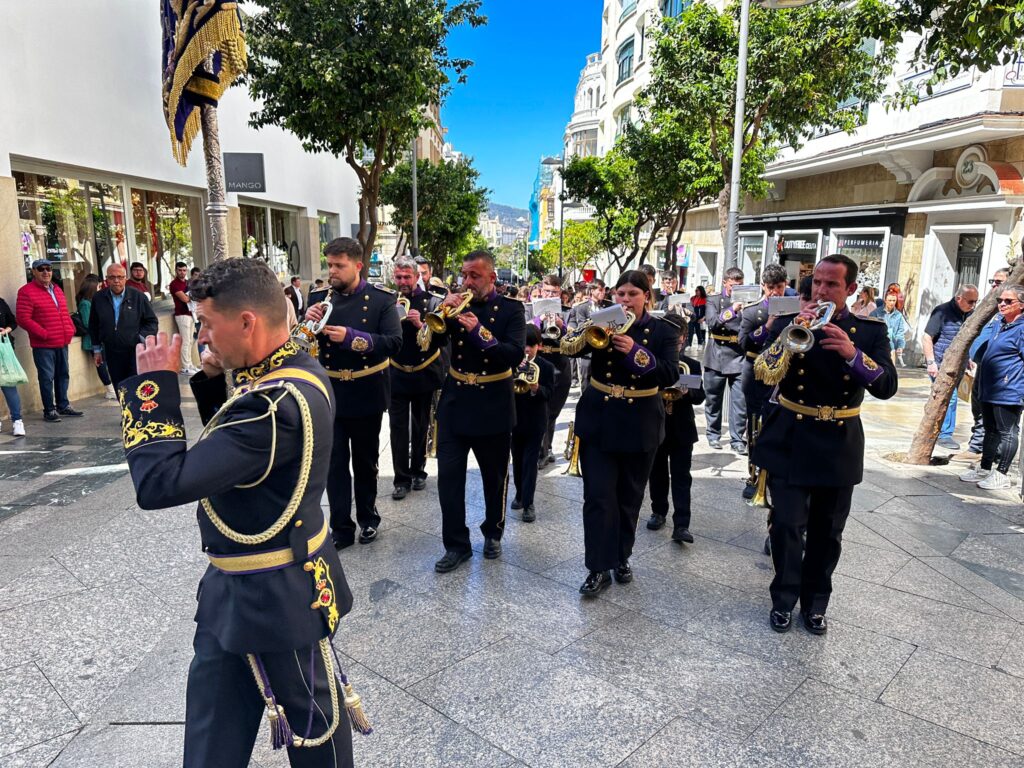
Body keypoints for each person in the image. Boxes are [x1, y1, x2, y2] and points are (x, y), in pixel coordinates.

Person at [118, 257, 360, 768]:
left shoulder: (273, 406)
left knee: (315, 732)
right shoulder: (296, 366)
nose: (201, 335)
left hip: (277, 597)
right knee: (213, 723)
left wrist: (152, 392)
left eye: (206, 322)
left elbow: (160, 484)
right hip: (241, 589)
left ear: (247, 321)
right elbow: (236, 457)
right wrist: (209, 381)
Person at [752, 255, 897, 634]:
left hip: (838, 441)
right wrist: (786, 338)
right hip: (791, 435)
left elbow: (886, 386)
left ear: (850, 289)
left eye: (831, 284)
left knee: (828, 531)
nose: (820, 290)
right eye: (816, 282)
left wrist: (852, 353)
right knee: (785, 525)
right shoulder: (788, 322)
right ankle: (783, 600)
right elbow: (761, 376)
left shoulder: (868, 330)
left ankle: (815, 604)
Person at [560, 270, 679, 595]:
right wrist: (584, 332)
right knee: (597, 497)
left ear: (646, 296)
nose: (625, 300)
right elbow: (568, 350)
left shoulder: (662, 330)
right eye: (620, 294)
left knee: (629, 498)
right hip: (599, 418)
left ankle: (621, 556)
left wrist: (635, 353)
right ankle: (597, 567)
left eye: (632, 294)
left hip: (640, 422)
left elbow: (669, 374)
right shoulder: (602, 322)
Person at [431, 250, 526, 573]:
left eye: (474, 276)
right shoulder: (458, 305)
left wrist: (479, 332)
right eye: (464, 275)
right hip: (456, 402)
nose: (467, 282)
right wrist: (439, 316)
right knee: (449, 480)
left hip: (493, 404)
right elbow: (429, 344)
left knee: (494, 478)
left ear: (492, 278)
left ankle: (493, 532)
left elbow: (513, 355)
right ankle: (456, 545)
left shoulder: (512, 309)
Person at [305, 238, 402, 550]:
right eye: (330, 264)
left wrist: (353, 337)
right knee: (333, 464)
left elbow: (393, 342)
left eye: (339, 265)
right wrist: (307, 322)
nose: (332, 271)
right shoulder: (319, 297)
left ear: (358, 265)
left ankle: (368, 518)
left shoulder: (381, 300)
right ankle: (341, 527)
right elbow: (301, 344)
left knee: (365, 462)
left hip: (366, 391)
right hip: (330, 392)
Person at [388, 256, 445, 500]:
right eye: (399, 277)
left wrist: (421, 324)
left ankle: (418, 471)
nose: (402, 281)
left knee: (421, 425)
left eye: (407, 277)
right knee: (398, 429)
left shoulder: (431, 301)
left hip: (423, 372)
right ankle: (401, 479)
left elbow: (443, 339)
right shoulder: (387, 302)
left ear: (417, 277)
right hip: (397, 372)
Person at [959, 283, 1024, 490]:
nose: (1002, 304)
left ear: (1021, 305)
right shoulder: (999, 323)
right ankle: (985, 467)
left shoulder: (1021, 329)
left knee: (1007, 432)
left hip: (1009, 390)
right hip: (989, 387)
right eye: (1000, 300)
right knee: (990, 430)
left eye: (1008, 301)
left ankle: (1002, 474)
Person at [646, 313, 704, 542]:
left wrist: (689, 391)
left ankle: (682, 524)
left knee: (682, 476)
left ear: (684, 339)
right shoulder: (654, 362)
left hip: (682, 428)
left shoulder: (691, 364)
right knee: (657, 472)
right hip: (657, 424)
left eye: (678, 340)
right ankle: (658, 511)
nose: (675, 345)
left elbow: (700, 397)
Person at [739, 264, 789, 499]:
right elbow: (744, 344)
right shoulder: (752, 311)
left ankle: (775, 473)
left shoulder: (794, 309)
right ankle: (754, 474)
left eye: (779, 287)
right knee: (755, 425)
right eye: (771, 288)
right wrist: (768, 323)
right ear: (763, 287)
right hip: (756, 375)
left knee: (779, 425)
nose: (775, 292)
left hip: (782, 376)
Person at [954, 268, 1011, 464]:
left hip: (1000, 374)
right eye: (993, 281)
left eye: (999, 281)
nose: (995, 285)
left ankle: (994, 454)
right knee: (978, 410)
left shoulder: (1009, 310)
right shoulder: (989, 308)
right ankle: (978, 447)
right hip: (980, 368)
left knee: (998, 417)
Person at [16, 259, 82, 422]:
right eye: (41, 269)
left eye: (49, 268)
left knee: (63, 374)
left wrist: (70, 329)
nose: (46, 272)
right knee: (47, 377)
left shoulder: (57, 289)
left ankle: (63, 405)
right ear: (34, 271)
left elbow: (64, 313)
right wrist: (43, 333)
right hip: (44, 344)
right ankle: (49, 410)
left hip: (62, 340)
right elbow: (23, 318)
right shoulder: (26, 291)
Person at [923, 284, 979, 451]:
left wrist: (968, 357)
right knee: (950, 397)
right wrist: (931, 362)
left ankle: (934, 429)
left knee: (943, 397)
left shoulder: (970, 314)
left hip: (959, 364)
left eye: (976, 301)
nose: (973, 305)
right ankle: (945, 435)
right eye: (970, 301)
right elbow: (927, 337)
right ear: (958, 298)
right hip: (940, 363)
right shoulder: (942, 312)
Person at [88, 263, 159, 389]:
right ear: (106, 279)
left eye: (120, 277)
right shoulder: (98, 298)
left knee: (136, 388)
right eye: (112, 277)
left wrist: (141, 338)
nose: (116, 281)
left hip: (135, 351)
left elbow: (152, 321)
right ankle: (125, 409)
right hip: (112, 352)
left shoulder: (138, 296)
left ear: (125, 278)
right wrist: (97, 350)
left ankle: (135, 409)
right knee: (120, 388)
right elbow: (93, 324)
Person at [511, 325, 554, 522]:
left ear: (540, 346)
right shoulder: (513, 363)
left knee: (530, 463)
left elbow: (550, 393)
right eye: (524, 345)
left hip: (536, 420)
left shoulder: (545, 366)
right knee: (517, 461)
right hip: (515, 419)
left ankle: (529, 503)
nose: (527, 349)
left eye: (531, 345)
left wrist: (537, 388)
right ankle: (520, 494)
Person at [703, 267, 747, 453]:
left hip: (738, 354)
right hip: (717, 353)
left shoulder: (749, 301)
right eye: (732, 286)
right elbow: (712, 323)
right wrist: (732, 309)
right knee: (714, 398)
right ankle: (713, 434)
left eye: (739, 286)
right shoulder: (713, 300)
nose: (735, 289)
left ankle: (737, 438)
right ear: (725, 283)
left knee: (739, 401)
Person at [533, 275, 572, 467]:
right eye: (547, 291)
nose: (550, 295)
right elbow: (527, 333)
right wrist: (539, 320)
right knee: (542, 409)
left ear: (561, 294)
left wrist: (561, 325)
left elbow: (574, 338)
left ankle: (546, 448)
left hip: (561, 363)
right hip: (541, 362)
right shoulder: (530, 310)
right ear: (541, 291)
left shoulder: (568, 312)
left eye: (554, 292)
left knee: (554, 410)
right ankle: (541, 451)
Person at [77, 275, 116, 400]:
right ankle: (109, 389)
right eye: (98, 287)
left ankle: (112, 387)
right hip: (93, 341)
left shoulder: (95, 302)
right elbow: (88, 323)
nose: (101, 289)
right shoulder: (85, 304)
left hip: (102, 338)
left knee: (109, 363)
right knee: (101, 364)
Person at [567, 281, 610, 393]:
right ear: (592, 291)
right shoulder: (582, 307)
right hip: (588, 350)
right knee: (586, 379)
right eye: (600, 290)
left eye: (604, 289)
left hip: (605, 348)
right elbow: (582, 326)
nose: (603, 292)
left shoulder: (609, 305)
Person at [0, 296, 25, 436]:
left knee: (9, 385)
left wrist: (5, 331)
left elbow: (13, 322)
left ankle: (17, 421)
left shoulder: (1, 302)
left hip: (4, 349)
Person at [168, 261, 199, 375]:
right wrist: (192, 296)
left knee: (190, 341)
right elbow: (185, 299)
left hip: (191, 314)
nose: (182, 272)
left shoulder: (187, 282)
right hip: (182, 315)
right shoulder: (174, 284)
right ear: (176, 270)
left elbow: (196, 295)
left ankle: (190, 364)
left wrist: (191, 295)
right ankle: (185, 367)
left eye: (184, 270)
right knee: (185, 341)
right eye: (180, 270)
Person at [871, 292, 910, 365]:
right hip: (877, 348)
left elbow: (900, 333)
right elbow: (870, 330)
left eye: (894, 300)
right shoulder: (875, 313)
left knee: (891, 372)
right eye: (889, 300)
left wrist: (900, 346)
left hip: (891, 349)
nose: (892, 303)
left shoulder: (898, 315)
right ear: (885, 300)